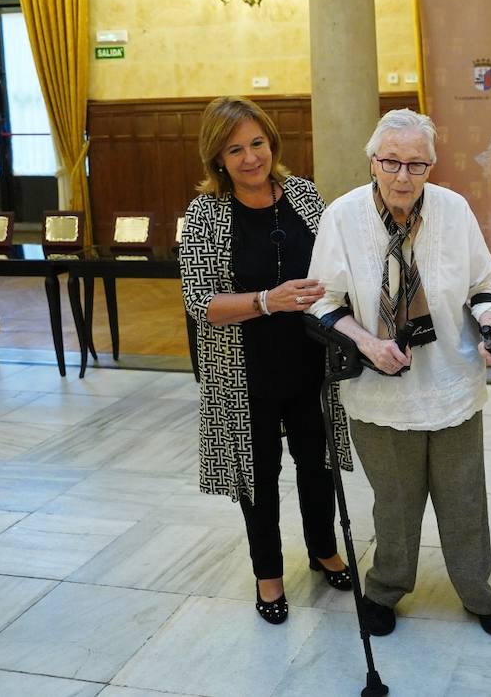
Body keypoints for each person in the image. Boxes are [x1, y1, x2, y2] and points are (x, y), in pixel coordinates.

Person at [307, 108, 491, 638]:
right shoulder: (342, 215)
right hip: (380, 391)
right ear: (373, 161)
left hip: (452, 381)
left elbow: (486, 283)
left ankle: (477, 590)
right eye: (391, 163)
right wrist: (368, 344)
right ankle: (385, 588)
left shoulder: (453, 209)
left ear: (432, 164)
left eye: (417, 165)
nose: (403, 177)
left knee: (463, 496)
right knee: (395, 502)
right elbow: (322, 301)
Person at [179, 96, 351, 626]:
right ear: (218, 159)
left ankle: (324, 550)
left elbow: (334, 269)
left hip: (310, 363)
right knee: (258, 476)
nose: (250, 157)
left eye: (257, 143)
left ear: (272, 142)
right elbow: (200, 302)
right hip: (244, 371)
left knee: (317, 466)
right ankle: (269, 574)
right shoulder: (205, 215)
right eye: (235, 149)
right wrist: (265, 301)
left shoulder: (303, 196)